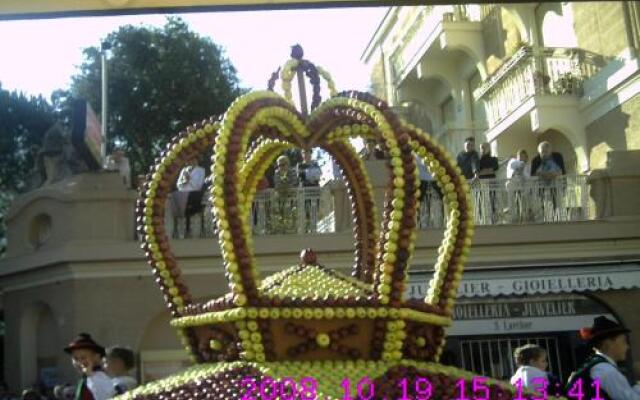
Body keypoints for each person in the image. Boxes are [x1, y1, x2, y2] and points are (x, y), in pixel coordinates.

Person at [566, 316, 640, 399]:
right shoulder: (607, 371)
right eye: (623, 341)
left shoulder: (596, 365)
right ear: (609, 343)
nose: (627, 347)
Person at [64, 333, 115, 400]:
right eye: (75, 359)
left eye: (83, 357)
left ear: (96, 357)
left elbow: (105, 396)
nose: (79, 362)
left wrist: (90, 375)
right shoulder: (86, 378)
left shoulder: (99, 376)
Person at [171, 158, 206, 238]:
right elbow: (178, 184)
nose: (190, 161)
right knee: (174, 196)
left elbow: (198, 186)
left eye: (192, 159)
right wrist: (184, 182)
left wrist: (189, 180)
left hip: (194, 194)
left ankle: (188, 229)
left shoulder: (201, 170)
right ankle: (176, 227)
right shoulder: (184, 170)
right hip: (183, 193)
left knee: (189, 200)